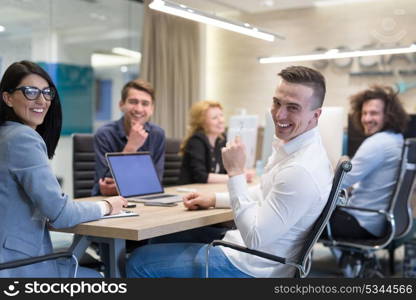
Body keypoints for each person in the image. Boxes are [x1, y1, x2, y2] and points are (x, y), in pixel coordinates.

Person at [126, 65, 333, 278]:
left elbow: (254, 238)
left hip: (251, 266)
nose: (279, 114)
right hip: (256, 254)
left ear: (315, 115)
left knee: (139, 261)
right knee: (161, 239)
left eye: (293, 107)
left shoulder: (300, 170)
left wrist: (235, 173)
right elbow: (264, 194)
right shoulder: (299, 149)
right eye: (277, 102)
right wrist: (215, 198)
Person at [0, 60, 127, 277]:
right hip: (17, 266)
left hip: (12, 255)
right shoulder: (23, 139)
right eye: (30, 91)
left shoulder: (6, 135)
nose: (41, 100)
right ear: (8, 98)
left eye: (47, 92)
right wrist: (107, 205)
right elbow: (61, 214)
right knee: (101, 278)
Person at [328, 85, 409, 239]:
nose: (366, 119)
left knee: (303, 220)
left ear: (388, 115)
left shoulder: (378, 142)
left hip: (361, 222)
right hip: (378, 221)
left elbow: (339, 182)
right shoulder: (396, 139)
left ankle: (290, 262)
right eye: (364, 113)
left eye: (373, 113)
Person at [92, 79, 166, 196]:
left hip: (146, 201)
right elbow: (104, 184)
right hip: (110, 204)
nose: (139, 109)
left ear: (152, 109)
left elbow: (155, 183)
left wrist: (124, 185)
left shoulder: (157, 134)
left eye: (145, 104)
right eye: (133, 102)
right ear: (121, 105)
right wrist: (131, 147)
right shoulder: (104, 134)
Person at [179, 100, 253, 184]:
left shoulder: (221, 140)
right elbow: (201, 176)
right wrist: (236, 177)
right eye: (214, 118)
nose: (221, 120)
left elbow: (227, 169)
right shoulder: (196, 141)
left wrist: (242, 172)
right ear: (202, 122)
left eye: (221, 115)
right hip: (190, 191)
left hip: (210, 189)